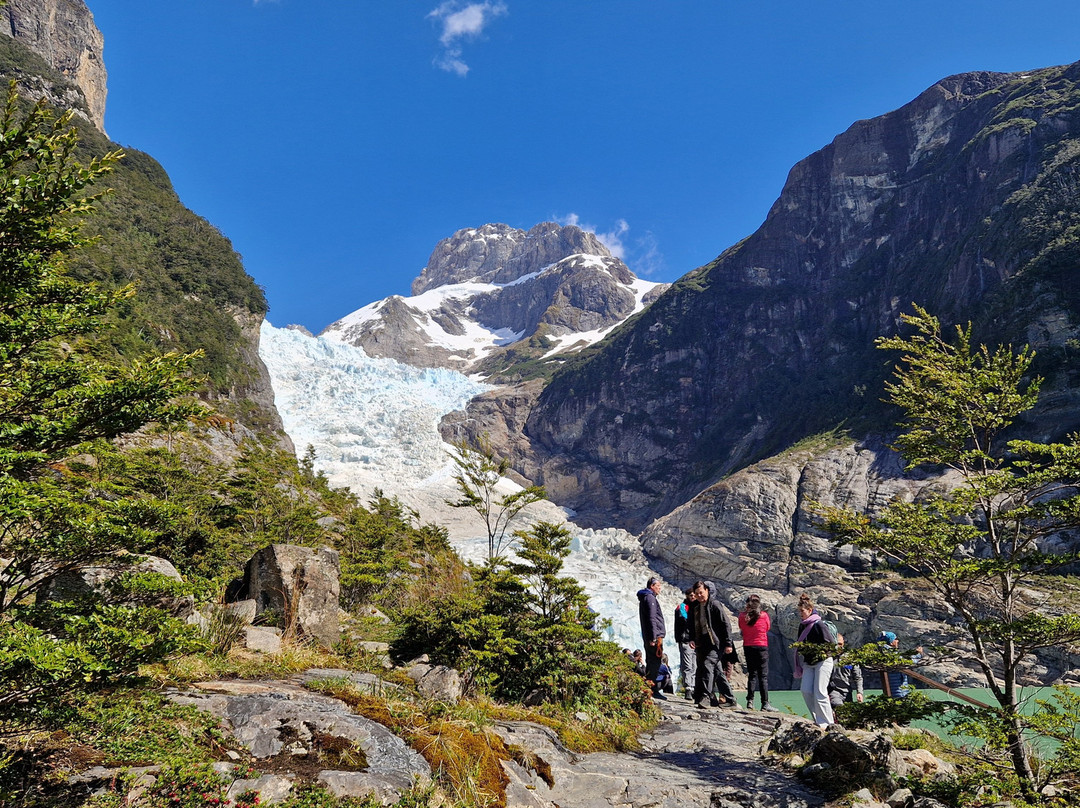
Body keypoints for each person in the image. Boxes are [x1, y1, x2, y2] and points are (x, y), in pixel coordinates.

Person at [690, 580, 738, 709]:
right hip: (703, 642)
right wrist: (692, 639)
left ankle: (706, 697)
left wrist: (728, 644)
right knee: (717, 671)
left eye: (701, 592)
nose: (699, 595)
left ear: (707, 590)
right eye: (696, 593)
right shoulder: (696, 607)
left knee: (708, 665)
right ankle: (730, 699)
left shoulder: (715, 605)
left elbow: (726, 624)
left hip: (717, 643)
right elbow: (692, 625)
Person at [793, 594, 836, 727]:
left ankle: (827, 723)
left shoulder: (819, 624)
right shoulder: (802, 626)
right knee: (806, 690)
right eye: (799, 611)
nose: (800, 614)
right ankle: (817, 719)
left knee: (820, 691)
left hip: (823, 661)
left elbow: (831, 643)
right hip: (809, 662)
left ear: (810, 610)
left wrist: (818, 651)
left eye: (802, 611)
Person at [738, 594, 777, 711]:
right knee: (763, 676)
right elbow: (767, 628)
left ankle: (750, 701)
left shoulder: (742, 616)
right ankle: (765, 703)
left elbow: (741, 627)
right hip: (761, 646)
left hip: (748, 646)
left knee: (752, 674)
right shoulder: (764, 616)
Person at [637, 576, 666, 698]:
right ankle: (652, 688)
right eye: (658, 586)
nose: (660, 588)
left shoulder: (646, 597)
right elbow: (652, 618)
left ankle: (649, 688)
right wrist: (654, 637)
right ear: (652, 586)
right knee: (655, 662)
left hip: (650, 636)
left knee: (651, 661)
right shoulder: (650, 598)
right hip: (654, 638)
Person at [827, 634, 863, 711]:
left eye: (840, 644)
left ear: (843, 643)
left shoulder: (850, 658)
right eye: (836, 644)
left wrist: (859, 692)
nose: (838, 646)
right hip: (834, 691)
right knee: (839, 707)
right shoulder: (828, 658)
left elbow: (858, 677)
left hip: (847, 692)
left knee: (849, 714)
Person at [674, 590, 696, 699]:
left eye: (694, 595)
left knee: (694, 666)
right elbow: (684, 620)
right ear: (687, 596)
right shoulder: (683, 607)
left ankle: (693, 687)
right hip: (686, 640)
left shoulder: (697, 607)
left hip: (696, 641)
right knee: (687, 665)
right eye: (691, 595)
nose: (693, 597)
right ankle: (688, 688)